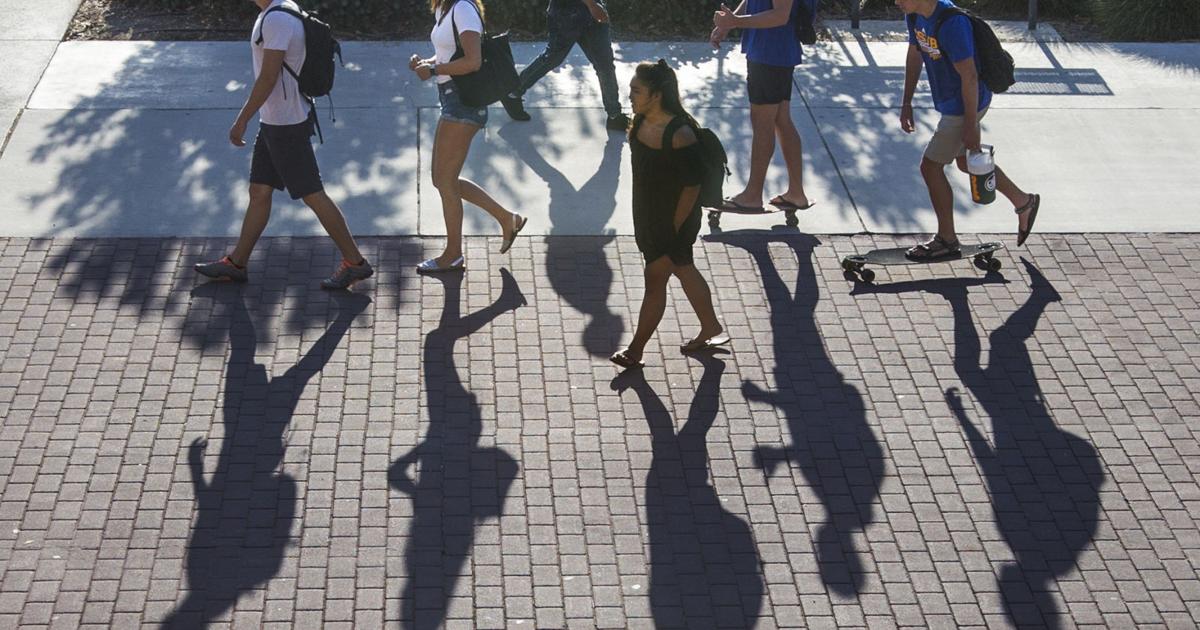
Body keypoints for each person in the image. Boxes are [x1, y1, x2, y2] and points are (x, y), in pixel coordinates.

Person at [194, 0, 374, 290]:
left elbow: (268, 77)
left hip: (285, 124)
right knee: (259, 191)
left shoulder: (276, 20)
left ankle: (355, 263)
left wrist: (242, 120)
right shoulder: (280, 9)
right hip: (276, 121)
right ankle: (237, 263)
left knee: (313, 195)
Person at [897, 0, 1040, 258]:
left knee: (930, 167)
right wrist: (906, 101)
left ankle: (947, 240)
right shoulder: (915, 16)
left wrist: (971, 124)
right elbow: (915, 54)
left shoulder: (953, 24)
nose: (896, 2)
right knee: (966, 162)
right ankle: (1024, 202)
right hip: (955, 103)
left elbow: (970, 77)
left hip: (964, 106)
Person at [610, 60, 728, 369]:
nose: (630, 95)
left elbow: (692, 186)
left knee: (655, 279)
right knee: (685, 269)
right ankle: (711, 327)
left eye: (637, 90)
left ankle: (635, 350)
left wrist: (672, 231)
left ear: (656, 95)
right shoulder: (639, 122)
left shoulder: (680, 134)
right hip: (649, 217)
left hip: (676, 220)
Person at [410, 0, 527, 273]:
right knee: (443, 179)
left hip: (464, 103)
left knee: (444, 181)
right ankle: (507, 218)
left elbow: (473, 62)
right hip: (452, 99)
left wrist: (435, 70)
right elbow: (449, 55)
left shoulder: (462, 9)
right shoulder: (444, 8)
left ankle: (453, 254)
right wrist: (425, 64)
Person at [710, 0, 813, 212]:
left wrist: (735, 21)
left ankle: (752, 195)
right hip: (775, 52)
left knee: (763, 121)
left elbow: (780, 15)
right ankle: (796, 193)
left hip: (770, 53)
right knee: (781, 120)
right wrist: (728, 24)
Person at [499, 0, 631, 131]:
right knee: (552, 58)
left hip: (591, 14)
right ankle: (512, 92)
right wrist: (591, 5)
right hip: (567, 14)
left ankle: (614, 115)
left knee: (605, 65)